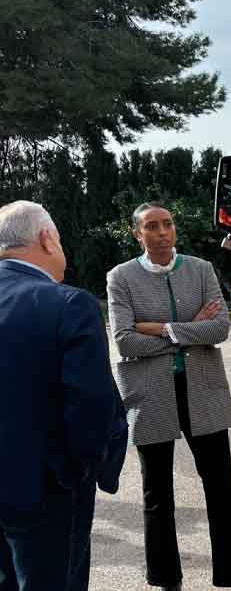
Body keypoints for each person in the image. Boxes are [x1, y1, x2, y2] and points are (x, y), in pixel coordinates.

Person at [106, 202, 231, 591]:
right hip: (151, 393)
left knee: (221, 484)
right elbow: (124, 339)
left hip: (203, 390)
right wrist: (190, 329)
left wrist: (162, 330)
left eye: (168, 224)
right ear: (137, 234)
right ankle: (166, 580)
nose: (163, 232)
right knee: (157, 492)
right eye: (152, 226)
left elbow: (221, 328)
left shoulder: (201, 269)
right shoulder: (120, 278)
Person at [0, 200, 127, 591]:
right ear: (47, 238)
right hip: (46, 494)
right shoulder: (69, 304)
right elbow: (91, 406)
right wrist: (83, 473)